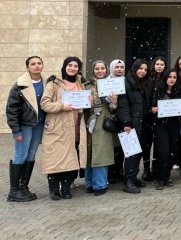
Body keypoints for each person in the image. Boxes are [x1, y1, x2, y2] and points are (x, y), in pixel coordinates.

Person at [41, 57, 87, 200]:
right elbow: (45, 104)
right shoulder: (54, 83)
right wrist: (62, 106)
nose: (72, 68)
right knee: (55, 159)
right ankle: (54, 190)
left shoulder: (81, 82)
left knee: (71, 158)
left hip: (76, 126)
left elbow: (82, 102)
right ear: (64, 66)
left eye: (76, 66)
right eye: (70, 65)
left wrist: (87, 100)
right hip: (58, 127)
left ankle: (66, 189)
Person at [6, 56, 46, 202]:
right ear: (27, 67)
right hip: (24, 125)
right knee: (20, 156)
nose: (36, 66)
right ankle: (13, 191)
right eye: (33, 64)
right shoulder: (19, 85)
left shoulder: (47, 82)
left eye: (39, 63)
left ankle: (24, 187)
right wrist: (15, 130)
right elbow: (12, 109)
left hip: (39, 125)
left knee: (31, 156)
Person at [117, 59, 151, 194]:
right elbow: (123, 105)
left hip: (143, 123)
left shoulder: (145, 83)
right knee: (131, 153)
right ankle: (128, 181)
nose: (142, 71)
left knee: (139, 152)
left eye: (145, 69)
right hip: (131, 125)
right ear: (134, 68)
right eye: (140, 68)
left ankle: (134, 176)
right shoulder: (126, 83)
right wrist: (126, 122)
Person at [83, 61, 116, 196]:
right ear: (93, 70)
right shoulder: (86, 86)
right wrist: (87, 102)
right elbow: (80, 105)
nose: (100, 70)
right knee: (89, 153)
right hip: (88, 122)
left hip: (103, 122)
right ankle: (89, 183)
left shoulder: (112, 85)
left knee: (101, 153)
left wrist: (114, 102)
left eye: (103, 68)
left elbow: (113, 110)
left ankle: (100, 184)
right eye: (97, 68)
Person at [151, 69, 181, 190]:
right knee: (162, 151)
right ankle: (160, 178)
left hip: (174, 124)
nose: (172, 79)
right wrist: (153, 110)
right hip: (160, 124)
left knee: (172, 151)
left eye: (174, 77)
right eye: (169, 77)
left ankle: (167, 176)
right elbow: (151, 108)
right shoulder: (158, 91)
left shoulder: (177, 91)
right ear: (165, 78)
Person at [142, 56, 167, 182]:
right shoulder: (147, 79)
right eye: (157, 64)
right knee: (146, 144)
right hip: (147, 117)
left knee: (158, 144)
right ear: (153, 65)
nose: (159, 66)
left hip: (160, 117)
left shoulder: (166, 79)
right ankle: (146, 170)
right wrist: (149, 109)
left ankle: (156, 169)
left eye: (162, 64)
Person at [107, 59, 126, 184]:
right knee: (112, 147)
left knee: (122, 147)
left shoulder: (126, 81)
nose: (119, 69)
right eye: (117, 67)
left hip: (124, 118)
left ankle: (120, 171)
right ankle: (111, 173)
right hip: (111, 117)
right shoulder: (106, 82)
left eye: (121, 67)